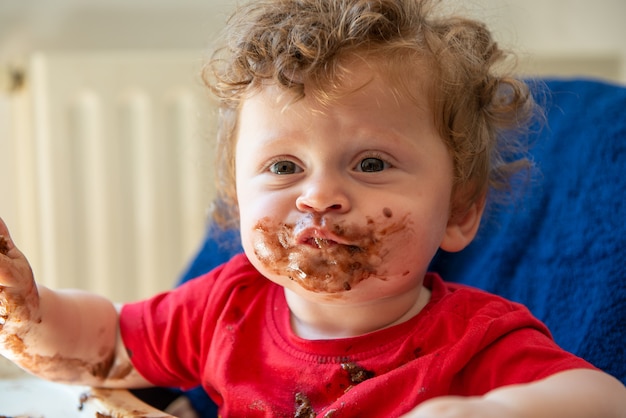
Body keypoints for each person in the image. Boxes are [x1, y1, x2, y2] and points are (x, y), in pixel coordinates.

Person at [1, 0, 625, 416]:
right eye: (283, 167)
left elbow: (602, 397)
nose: (318, 195)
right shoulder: (227, 307)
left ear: (460, 209)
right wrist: (28, 313)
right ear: (237, 197)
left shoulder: (473, 341)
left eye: (372, 164)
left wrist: (492, 411)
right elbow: (106, 343)